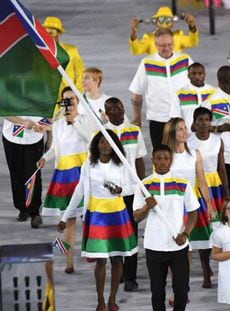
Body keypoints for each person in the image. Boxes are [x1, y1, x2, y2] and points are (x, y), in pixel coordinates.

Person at [58, 130, 137, 311]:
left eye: (108, 142)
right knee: (101, 260)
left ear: (114, 144)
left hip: (117, 215)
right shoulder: (89, 165)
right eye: (101, 142)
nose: (105, 145)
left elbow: (133, 186)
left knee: (117, 260)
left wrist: (121, 190)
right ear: (96, 144)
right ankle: (100, 300)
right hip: (97, 217)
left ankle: (112, 299)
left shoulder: (122, 165)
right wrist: (65, 216)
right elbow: (79, 190)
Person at [133, 144, 199, 311]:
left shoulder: (182, 184)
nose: (162, 162)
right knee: (157, 292)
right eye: (159, 158)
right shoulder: (144, 185)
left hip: (178, 245)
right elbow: (136, 217)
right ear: (153, 160)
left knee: (182, 290)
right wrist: (147, 207)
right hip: (154, 245)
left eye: (166, 158)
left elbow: (193, 213)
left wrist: (185, 234)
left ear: (171, 160)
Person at [38, 87, 89, 273]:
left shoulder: (84, 120)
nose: (69, 103)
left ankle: (92, 250)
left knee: (89, 217)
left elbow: (90, 139)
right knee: (68, 219)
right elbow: (56, 149)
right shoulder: (58, 125)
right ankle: (69, 261)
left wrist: (74, 122)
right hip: (64, 175)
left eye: (72, 99)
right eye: (65, 99)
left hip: (82, 172)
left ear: (77, 101)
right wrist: (45, 158)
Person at [162, 117, 215, 289]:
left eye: (185, 128)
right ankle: (178, 288)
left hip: (193, 202)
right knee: (179, 249)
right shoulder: (165, 155)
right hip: (173, 204)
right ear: (171, 132)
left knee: (198, 244)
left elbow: (202, 180)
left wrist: (210, 204)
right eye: (180, 129)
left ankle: (205, 273)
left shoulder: (195, 154)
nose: (185, 132)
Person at [104, 97, 147, 292]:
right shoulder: (101, 132)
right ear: (106, 113)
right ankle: (118, 270)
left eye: (119, 108)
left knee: (130, 234)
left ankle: (131, 276)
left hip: (131, 191)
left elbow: (139, 160)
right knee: (113, 234)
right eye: (111, 109)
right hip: (110, 193)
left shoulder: (134, 131)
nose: (117, 112)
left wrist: (142, 187)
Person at [129, 28, 192, 147]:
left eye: (169, 44)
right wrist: (137, 119)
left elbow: (196, 85)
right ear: (156, 45)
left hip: (183, 118)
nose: (166, 48)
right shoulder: (147, 63)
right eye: (162, 45)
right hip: (158, 119)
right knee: (161, 158)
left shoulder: (185, 60)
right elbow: (137, 93)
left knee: (184, 156)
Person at [203, 66, 230, 196]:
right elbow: (198, 127)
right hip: (222, 155)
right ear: (225, 80)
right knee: (224, 192)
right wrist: (218, 128)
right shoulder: (210, 102)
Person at [2, 115, 45, 228]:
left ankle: (34, 211)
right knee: (16, 173)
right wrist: (22, 122)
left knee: (33, 174)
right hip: (12, 135)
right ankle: (22, 208)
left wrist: (50, 137)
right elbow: (3, 108)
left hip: (34, 136)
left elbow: (48, 109)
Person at [188, 107, 230, 221]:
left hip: (214, 183)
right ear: (194, 123)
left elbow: (222, 169)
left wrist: (226, 193)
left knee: (215, 218)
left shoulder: (217, 140)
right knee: (200, 217)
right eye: (200, 120)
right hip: (196, 183)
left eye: (207, 120)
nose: (203, 123)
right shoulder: (188, 141)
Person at [129, 6, 198, 55]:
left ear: (172, 23)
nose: (164, 24)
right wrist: (133, 34)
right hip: (157, 73)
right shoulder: (149, 39)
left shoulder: (178, 37)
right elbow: (136, 50)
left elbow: (193, 42)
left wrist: (192, 26)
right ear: (155, 23)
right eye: (161, 20)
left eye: (168, 20)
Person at [42, 16, 85, 95]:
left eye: (52, 32)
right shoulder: (40, 53)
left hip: (67, 97)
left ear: (59, 34)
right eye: (46, 32)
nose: (49, 36)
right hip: (48, 98)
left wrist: (75, 92)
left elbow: (82, 74)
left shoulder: (71, 51)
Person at [173, 62, 215, 133]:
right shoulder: (180, 94)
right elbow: (175, 118)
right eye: (194, 74)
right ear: (188, 76)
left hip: (210, 137)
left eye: (200, 73)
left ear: (204, 75)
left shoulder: (214, 92)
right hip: (188, 137)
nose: (197, 76)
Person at [79, 67, 110, 134]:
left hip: (100, 141)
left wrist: (108, 121)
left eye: (87, 78)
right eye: (82, 78)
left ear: (97, 80)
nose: (83, 81)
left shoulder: (108, 101)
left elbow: (118, 125)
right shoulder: (77, 101)